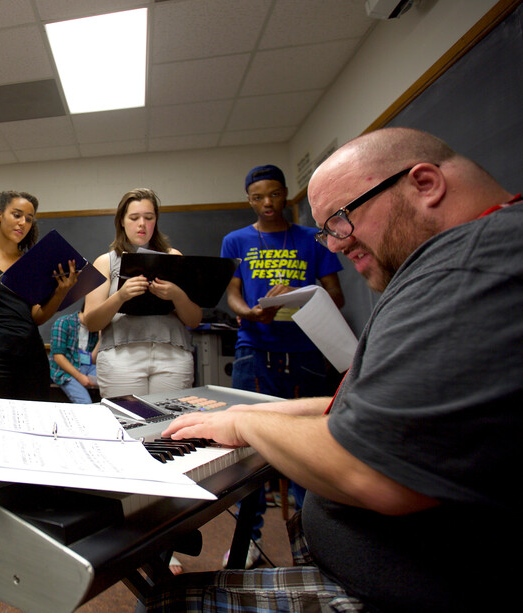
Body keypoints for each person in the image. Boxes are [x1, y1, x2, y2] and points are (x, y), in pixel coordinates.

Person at [150, 127, 519, 612]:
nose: (338, 245)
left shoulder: (467, 267)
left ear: (425, 184)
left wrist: (245, 421)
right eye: (327, 230)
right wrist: (267, 414)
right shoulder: (465, 257)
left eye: (343, 220)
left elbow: (371, 471)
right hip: (376, 552)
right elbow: (390, 412)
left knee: (161, 604)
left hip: (410, 584)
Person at [219, 165, 345, 566]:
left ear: (287, 195)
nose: (268, 204)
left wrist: (299, 296)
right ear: (249, 200)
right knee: (249, 451)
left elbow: (336, 297)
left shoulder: (312, 239)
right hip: (253, 350)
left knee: (311, 451)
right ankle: (247, 543)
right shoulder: (236, 241)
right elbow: (233, 296)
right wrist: (250, 313)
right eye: (258, 197)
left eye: (274, 195)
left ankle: (316, 544)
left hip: (305, 354)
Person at [82, 188, 203, 398]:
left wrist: (177, 295)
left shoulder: (174, 256)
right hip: (121, 357)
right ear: (121, 221)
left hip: (172, 355)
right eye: (134, 217)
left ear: (156, 220)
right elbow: (91, 322)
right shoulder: (104, 262)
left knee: (170, 426)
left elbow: (194, 320)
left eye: (149, 217)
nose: (142, 224)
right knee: (127, 426)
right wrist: (120, 296)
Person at [0, 190, 79, 401]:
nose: (23, 222)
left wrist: (61, 292)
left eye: (29, 219)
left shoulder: (32, 264)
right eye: (17, 215)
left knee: (32, 427)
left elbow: (37, 316)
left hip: (32, 358)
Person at [48, 303, 99, 404]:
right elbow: (58, 357)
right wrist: (80, 377)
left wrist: (101, 339)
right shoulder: (64, 322)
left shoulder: (95, 328)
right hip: (65, 370)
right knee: (85, 402)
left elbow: (92, 359)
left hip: (86, 366)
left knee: (112, 382)